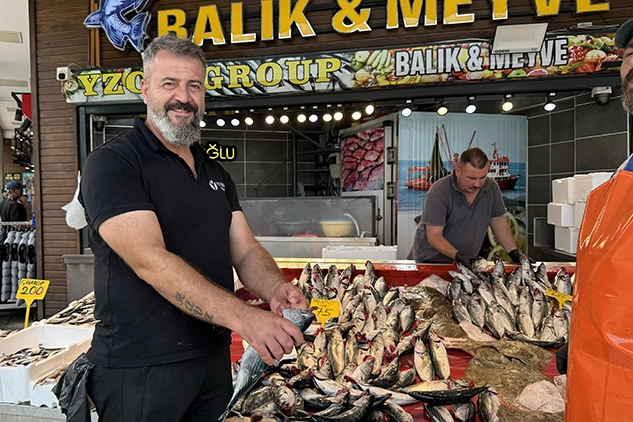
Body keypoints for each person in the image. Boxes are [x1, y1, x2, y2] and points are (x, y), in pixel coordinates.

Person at [78, 33, 308, 422]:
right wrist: (247, 319)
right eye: (169, 83)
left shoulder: (212, 170)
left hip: (212, 359)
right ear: (145, 89)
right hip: (141, 368)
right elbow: (150, 260)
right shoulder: (114, 163)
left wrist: (274, 289)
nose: (183, 97)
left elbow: (245, 250)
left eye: (194, 86)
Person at [407, 147, 521, 267]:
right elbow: (434, 236)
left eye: (482, 177)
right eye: (471, 178)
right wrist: (458, 256)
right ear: (457, 171)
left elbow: (498, 222)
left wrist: (513, 252)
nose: (477, 184)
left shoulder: (491, 187)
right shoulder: (439, 192)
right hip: (429, 262)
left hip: (464, 263)